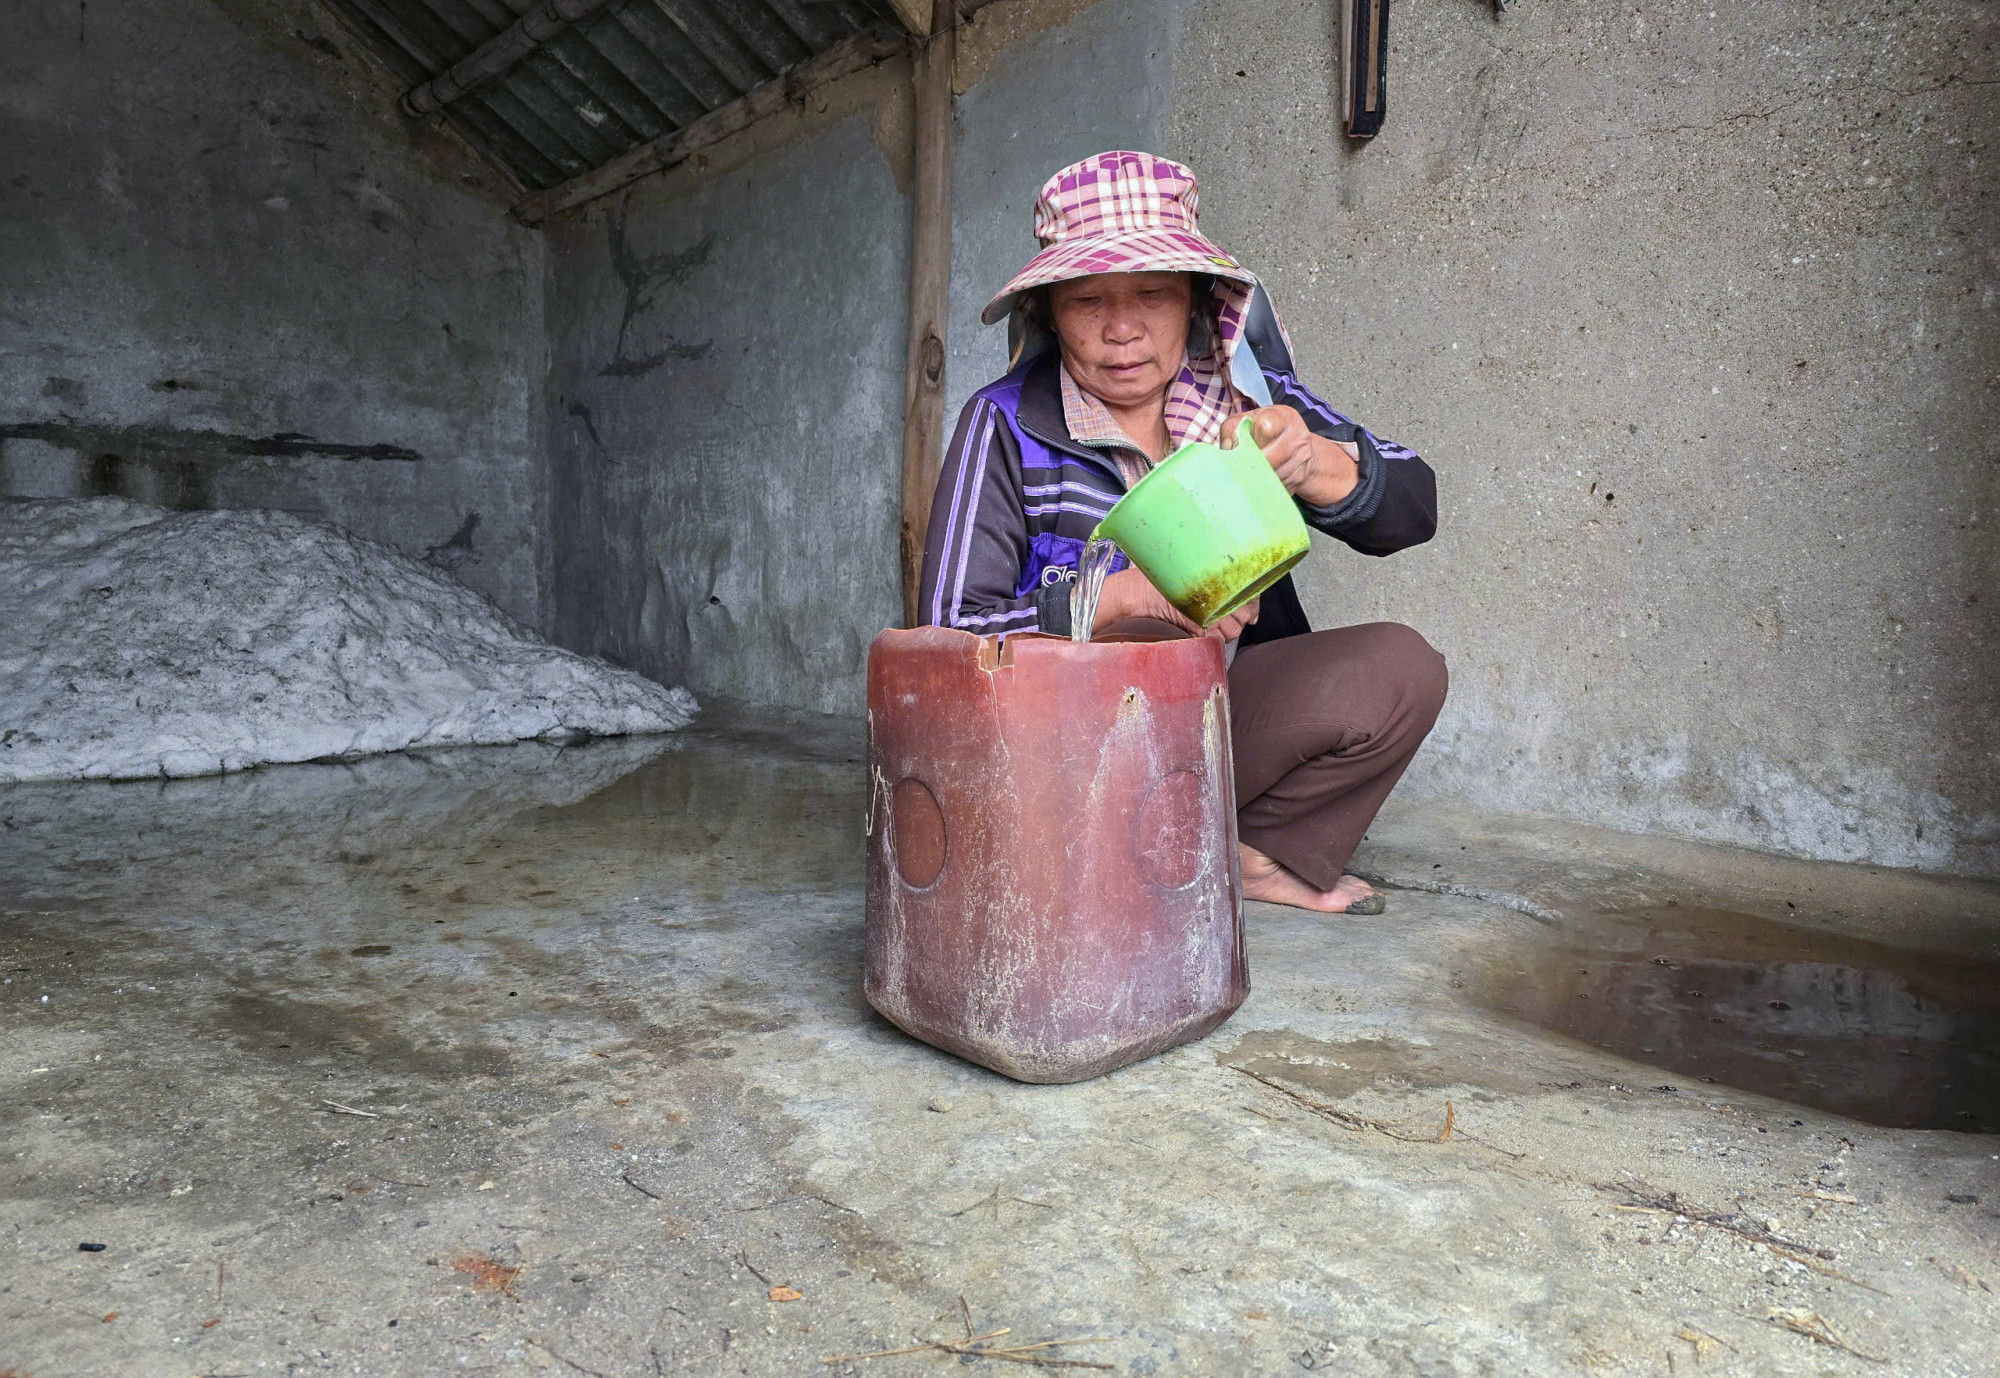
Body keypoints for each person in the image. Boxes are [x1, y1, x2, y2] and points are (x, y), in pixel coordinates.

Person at [917, 151, 1445, 914]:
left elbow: (1415, 502)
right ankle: (1118, 860)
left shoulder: (1242, 393)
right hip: (1067, 757)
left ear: (1196, 300)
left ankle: (1251, 852)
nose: (1122, 329)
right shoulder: (1004, 424)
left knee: (1401, 670)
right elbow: (945, 637)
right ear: (1050, 311)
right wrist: (1117, 596)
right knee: (1140, 631)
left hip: (1220, 722)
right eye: (1087, 300)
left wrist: (1313, 464)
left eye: (1153, 296)